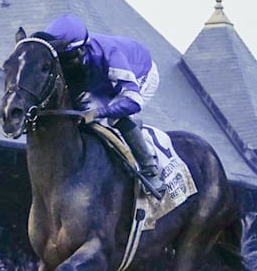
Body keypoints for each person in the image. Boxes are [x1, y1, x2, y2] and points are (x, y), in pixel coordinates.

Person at [40, 14, 166, 197]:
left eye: (66, 58)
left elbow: (133, 101)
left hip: (139, 74)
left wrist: (98, 112)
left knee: (114, 115)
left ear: (80, 50)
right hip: (98, 78)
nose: (63, 63)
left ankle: (149, 169)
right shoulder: (73, 57)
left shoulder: (110, 54)